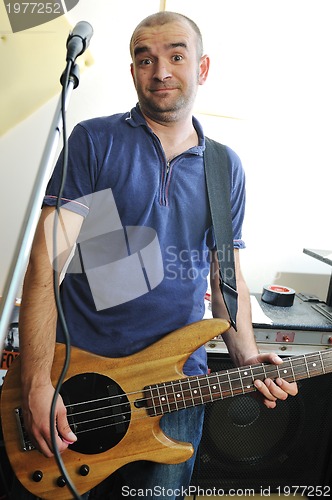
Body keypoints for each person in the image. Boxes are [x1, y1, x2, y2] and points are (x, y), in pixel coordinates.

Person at [14, 10, 298, 500]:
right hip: (82, 382)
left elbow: (226, 277)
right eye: (145, 59)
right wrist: (36, 381)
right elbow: (46, 267)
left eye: (176, 55)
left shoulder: (223, 166)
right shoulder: (93, 140)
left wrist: (249, 359)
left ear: (202, 68)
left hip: (176, 391)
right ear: (132, 71)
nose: (161, 70)